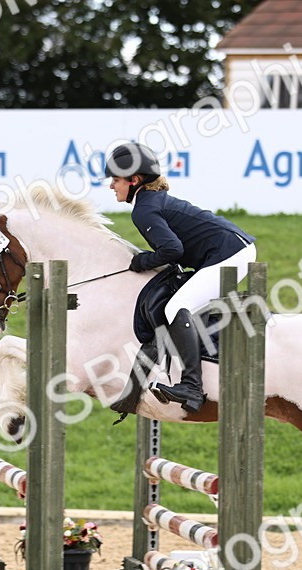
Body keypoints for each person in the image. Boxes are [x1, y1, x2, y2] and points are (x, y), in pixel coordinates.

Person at [104, 142, 257, 414]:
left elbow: (172, 250)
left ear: (134, 180)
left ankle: (192, 386)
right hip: (230, 250)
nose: (111, 186)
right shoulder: (148, 202)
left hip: (229, 254)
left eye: (115, 180)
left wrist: (141, 261)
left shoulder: (144, 209)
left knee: (176, 307)